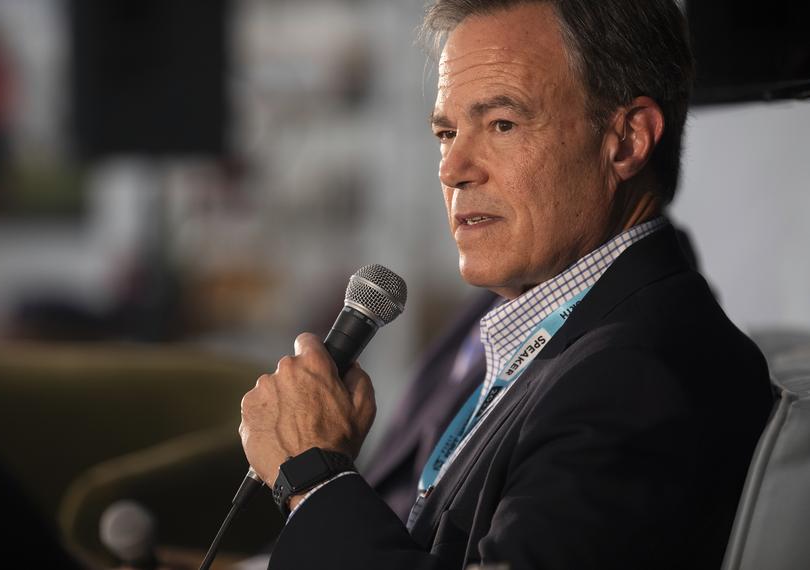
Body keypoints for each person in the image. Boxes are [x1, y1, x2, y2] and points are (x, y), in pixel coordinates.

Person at [238, 1, 773, 568]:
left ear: (627, 140)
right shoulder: (566, 327)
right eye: (446, 132)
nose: (452, 168)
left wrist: (315, 477)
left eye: (502, 123)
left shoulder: (640, 375)